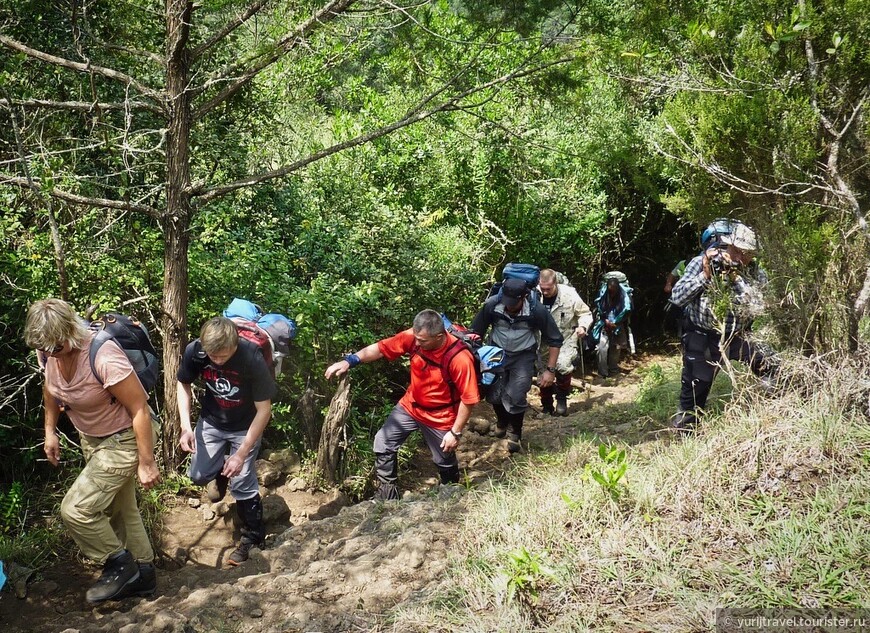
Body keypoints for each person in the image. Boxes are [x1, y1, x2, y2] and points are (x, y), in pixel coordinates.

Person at [24, 299, 160, 603]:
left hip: (125, 437)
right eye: (44, 349)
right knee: (121, 510)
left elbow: (138, 407)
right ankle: (144, 577)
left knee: (77, 509)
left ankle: (119, 564)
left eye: (55, 348)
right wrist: (50, 431)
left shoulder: (102, 353)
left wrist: (147, 462)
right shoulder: (49, 351)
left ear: (70, 332)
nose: (49, 354)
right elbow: (51, 388)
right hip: (92, 438)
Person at [324, 310, 479, 500]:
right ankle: (387, 496)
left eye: (423, 341)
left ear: (439, 336)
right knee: (383, 442)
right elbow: (381, 348)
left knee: (444, 459)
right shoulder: (415, 337)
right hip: (411, 405)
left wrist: (455, 432)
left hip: (441, 415)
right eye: (416, 339)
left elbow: (469, 399)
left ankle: (451, 492)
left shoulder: (460, 359)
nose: (417, 344)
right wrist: (350, 361)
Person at [177, 316, 276, 566]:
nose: (217, 361)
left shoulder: (251, 357)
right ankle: (221, 472)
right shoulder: (196, 351)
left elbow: (264, 410)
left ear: (235, 344)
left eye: (223, 356)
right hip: (212, 420)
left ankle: (253, 537)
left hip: (246, 425)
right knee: (199, 475)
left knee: (242, 481)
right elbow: (183, 383)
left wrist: (241, 454)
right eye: (213, 356)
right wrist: (186, 427)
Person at [668, 221, 773, 430]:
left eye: (747, 254)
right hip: (703, 336)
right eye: (736, 251)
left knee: (772, 365)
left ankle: (772, 413)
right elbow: (677, 297)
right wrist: (706, 276)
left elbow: (759, 307)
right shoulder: (701, 262)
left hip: (739, 334)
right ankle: (685, 435)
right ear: (727, 245)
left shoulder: (754, 272)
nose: (739, 258)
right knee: (694, 394)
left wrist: (736, 279)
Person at [471, 277, 563, 452]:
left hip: (523, 356)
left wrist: (550, 371)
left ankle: (515, 434)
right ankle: (502, 422)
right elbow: (474, 334)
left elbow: (555, 340)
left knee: (516, 394)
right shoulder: (492, 305)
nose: (509, 306)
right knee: (494, 394)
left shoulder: (537, 310)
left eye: (513, 303)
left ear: (524, 297)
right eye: (506, 302)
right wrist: (477, 360)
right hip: (496, 353)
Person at [537, 269, 593, 416]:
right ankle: (547, 404)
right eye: (543, 289)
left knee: (562, 365)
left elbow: (585, 313)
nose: (545, 292)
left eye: (548, 289)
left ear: (555, 283)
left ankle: (561, 399)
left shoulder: (569, 295)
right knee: (543, 372)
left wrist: (583, 326)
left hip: (566, 337)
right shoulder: (534, 295)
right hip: (542, 341)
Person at [591, 276, 631, 379]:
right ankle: (602, 372)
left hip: (618, 323)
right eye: (610, 291)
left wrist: (616, 322)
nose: (612, 293)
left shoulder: (624, 296)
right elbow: (599, 307)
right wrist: (606, 320)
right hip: (604, 322)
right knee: (601, 348)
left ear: (618, 288)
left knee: (616, 347)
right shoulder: (603, 293)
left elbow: (626, 311)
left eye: (614, 291)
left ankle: (613, 370)